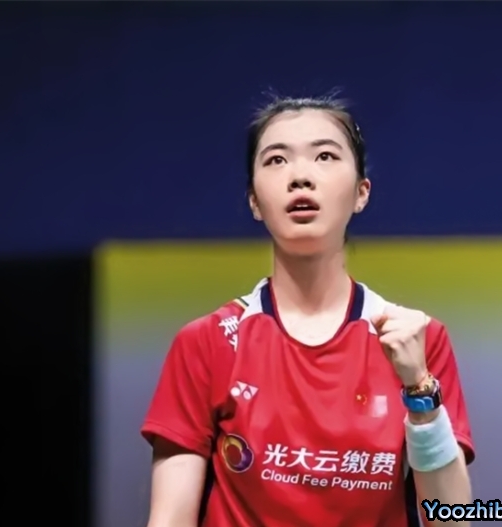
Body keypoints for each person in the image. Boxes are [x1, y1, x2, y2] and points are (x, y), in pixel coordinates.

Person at [141, 95, 475, 527]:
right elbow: (170, 519)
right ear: (254, 202)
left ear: (361, 193)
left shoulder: (417, 340)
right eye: (277, 160)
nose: (300, 176)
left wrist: (420, 391)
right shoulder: (207, 342)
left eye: (325, 156)